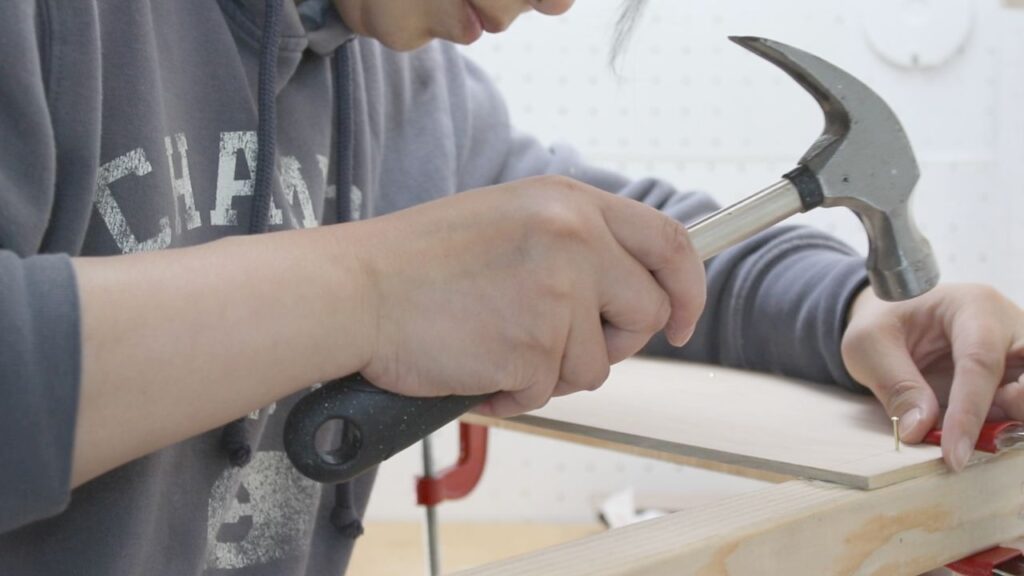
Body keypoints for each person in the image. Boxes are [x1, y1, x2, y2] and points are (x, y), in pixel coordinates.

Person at [0, 0, 1021, 573]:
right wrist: (374, 292)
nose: (557, 1)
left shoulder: (404, 88)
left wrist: (857, 308)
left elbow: (638, 242)